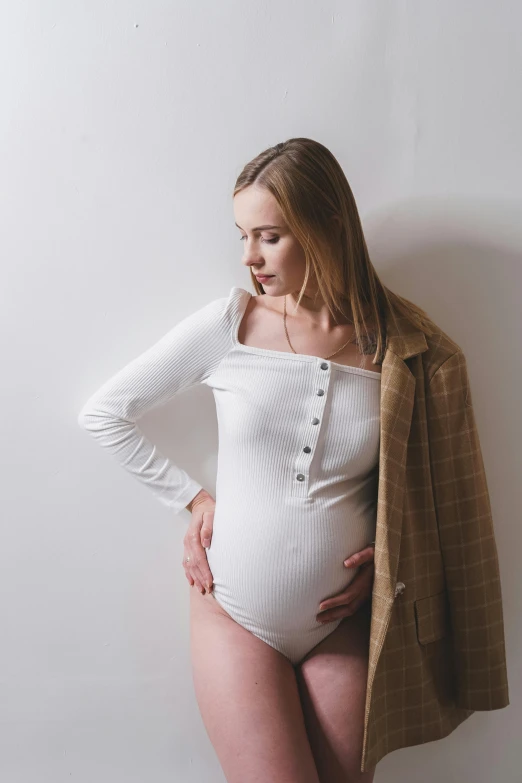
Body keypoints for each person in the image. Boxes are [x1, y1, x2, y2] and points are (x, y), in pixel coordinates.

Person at [78, 137, 509, 782]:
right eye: (242, 235)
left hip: (342, 624)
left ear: (325, 225)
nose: (249, 256)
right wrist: (191, 497)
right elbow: (105, 412)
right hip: (234, 613)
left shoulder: (403, 349)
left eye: (269, 236)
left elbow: (418, 492)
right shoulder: (231, 324)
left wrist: (390, 558)